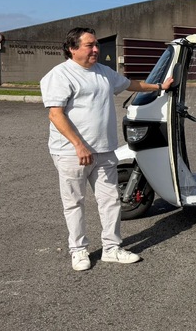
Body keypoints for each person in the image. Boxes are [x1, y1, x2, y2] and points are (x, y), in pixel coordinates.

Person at [41, 27, 173, 271]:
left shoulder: (104, 73)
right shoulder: (60, 75)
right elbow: (55, 114)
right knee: (74, 202)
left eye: (96, 45)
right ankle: (79, 251)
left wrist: (160, 87)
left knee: (110, 200)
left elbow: (131, 84)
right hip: (72, 152)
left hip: (104, 150)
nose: (95, 50)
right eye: (89, 45)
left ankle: (112, 248)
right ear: (72, 49)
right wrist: (79, 145)